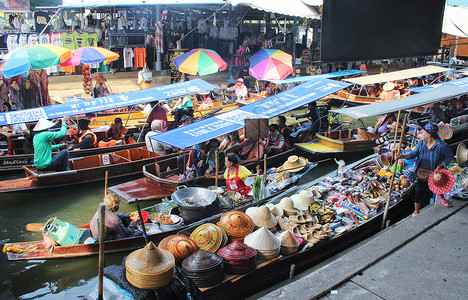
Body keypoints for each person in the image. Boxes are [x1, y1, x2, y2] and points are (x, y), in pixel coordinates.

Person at [400, 122, 454, 216]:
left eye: (423, 132)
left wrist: (442, 164)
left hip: (435, 171)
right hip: (422, 171)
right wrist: (401, 156)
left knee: (438, 185)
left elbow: (449, 156)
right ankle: (416, 211)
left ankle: (440, 197)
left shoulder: (441, 146)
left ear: (429, 134)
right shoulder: (421, 143)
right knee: (420, 191)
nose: (421, 133)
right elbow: (413, 154)